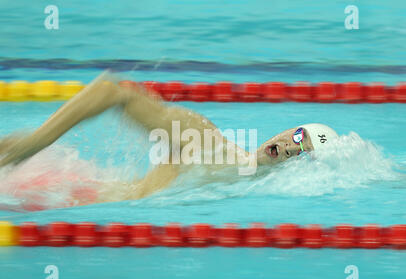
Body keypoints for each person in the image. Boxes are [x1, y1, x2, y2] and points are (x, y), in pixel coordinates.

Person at [0, 72, 339, 206]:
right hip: (70, 195)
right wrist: (35, 144)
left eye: (302, 151)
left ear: (299, 173)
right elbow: (113, 91)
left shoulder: (244, 193)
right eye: (298, 134)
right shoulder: (206, 137)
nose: (291, 146)